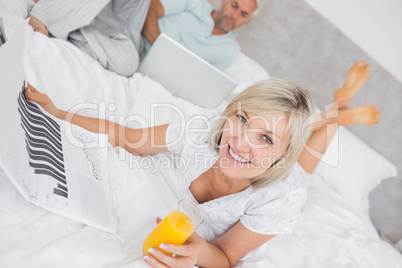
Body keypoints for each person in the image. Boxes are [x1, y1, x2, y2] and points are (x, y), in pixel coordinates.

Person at [25, 62, 380, 267]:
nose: (240, 142)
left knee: (306, 163)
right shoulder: (204, 130)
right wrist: (57, 113)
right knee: (290, 132)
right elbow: (124, 136)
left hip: (286, 174)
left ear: (277, 155)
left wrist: (200, 253)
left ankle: (338, 114)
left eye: (266, 138)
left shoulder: (279, 199)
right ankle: (339, 110)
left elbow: (225, 257)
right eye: (242, 119)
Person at [28, 0, 151, 77]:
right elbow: (151, 22)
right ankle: (46, 16)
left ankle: (68, 30)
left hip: (105, 24)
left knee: (129, 61)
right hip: (81, 8)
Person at [142, 0, 260, 70]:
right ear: (224, 1)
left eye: (243, 14)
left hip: (162, 74)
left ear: (247, 21)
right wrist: (161, 47)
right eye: (234, 6)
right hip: (137, 44)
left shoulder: (230, 51)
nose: (234, 16)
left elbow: (202, 79)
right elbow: (148, 8)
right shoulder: (194, 2)